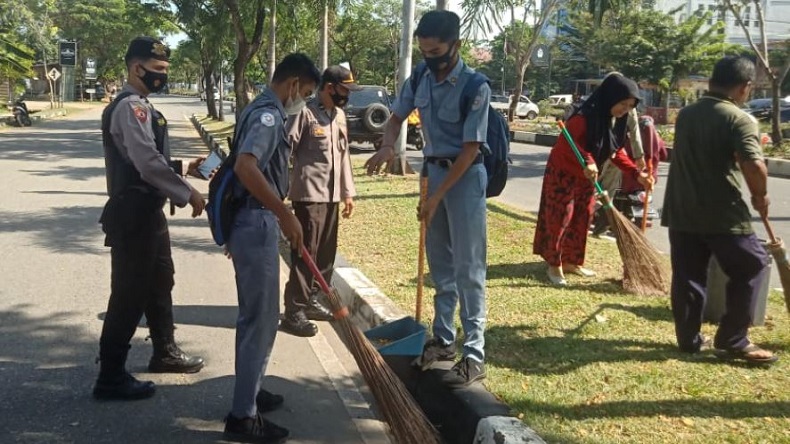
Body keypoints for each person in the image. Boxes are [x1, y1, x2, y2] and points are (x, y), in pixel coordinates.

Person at [365, 10, 490, 387]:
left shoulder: (475, 87)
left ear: (456, 45)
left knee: (469, 268)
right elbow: (395, 117)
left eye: (436, 52)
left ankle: (474, 354)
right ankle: (444, 340)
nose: (430, 59)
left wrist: (437, 197)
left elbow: (470, 150)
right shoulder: (419, 77)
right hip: (432, 173)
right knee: (440, 266)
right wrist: (388, 145)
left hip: (464, 178)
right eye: (424, 52)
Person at [94, 36, 206, 401]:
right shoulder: (130, 107)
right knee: (128, 293)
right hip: (134, 214)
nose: (162, 77)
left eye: (164, 71)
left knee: (160, 281)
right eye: (157, 70)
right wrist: (187, 190)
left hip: (148, 211)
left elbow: (145, 159)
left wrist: (186, 167)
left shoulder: (141, 105)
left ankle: (165, 351)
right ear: (135, 67)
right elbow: (144, 162)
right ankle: (110, 376)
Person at [223, 53, 321, 442]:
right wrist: (284, 214)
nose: (304, 102)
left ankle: (252, 390)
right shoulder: (268, 114)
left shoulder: (260, 108)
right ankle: (242, 417)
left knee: (258, 316)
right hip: (258, 219)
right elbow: (246, 167)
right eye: (307, 93)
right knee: (261, 319)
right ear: (294, 84)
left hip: (253, 219)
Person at [661, 56, 777, 364]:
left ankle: (688, 340)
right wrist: (761, 197)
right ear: (744, 87)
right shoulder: (738, 118)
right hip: (722, 213)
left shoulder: (686, 114)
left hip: (682, 209)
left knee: (688, 276)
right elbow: (754, 165)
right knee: (752, 264)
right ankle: (733, 338)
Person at [533, 73, 652, 286]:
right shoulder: (583, 118)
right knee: (561, 218)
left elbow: (614, 152)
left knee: (582, 217)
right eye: (622, 103)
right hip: (564, 174)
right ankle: (555, 265)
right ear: (610, 97)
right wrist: (588, 160)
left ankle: (572, 261)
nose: (625, 109)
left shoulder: (616, 121)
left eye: (629, 106)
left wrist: (637, 174)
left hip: (588, 176)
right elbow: (567, 144)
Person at [280, 65, 359, 337]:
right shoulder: (304, 113)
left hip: (332, 197)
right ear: (329, 87)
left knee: (326, 254)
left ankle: (312, 299)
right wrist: (280, 190)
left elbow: (344, 156)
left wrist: (348, 192)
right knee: (306, 254)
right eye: (344, 90)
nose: (347, 96)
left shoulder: (339, 117)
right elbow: (285, 148)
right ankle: (294, 311)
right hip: (308, 196)